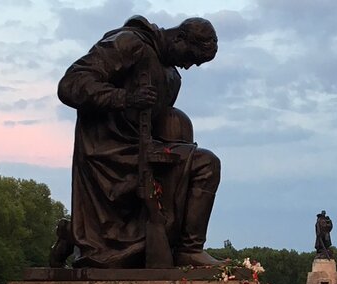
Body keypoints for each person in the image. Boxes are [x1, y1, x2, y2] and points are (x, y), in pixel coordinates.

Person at [57, 17, 222, 268]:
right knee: (205, 163)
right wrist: (125, 97)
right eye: (190, 57)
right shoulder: (128, 43)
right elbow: (71, 85)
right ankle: (186, 249)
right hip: (106, 153)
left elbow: (161, 122)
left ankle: (187, 248)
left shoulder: (172, 77)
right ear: (178, 38)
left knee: (203, 164)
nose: (188, 66)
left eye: (195, 63)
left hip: (144, 149)